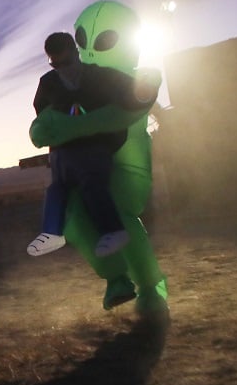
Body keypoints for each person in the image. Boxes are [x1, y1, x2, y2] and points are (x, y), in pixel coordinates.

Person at [30, 0, 169, 319]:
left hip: (124, 165)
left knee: (117, 211)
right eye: (82, 38)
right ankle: (117, 279)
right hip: (75, 163)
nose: (90, 48)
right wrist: (44, 128)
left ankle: (151, 286)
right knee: (74, 218)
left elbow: (125, 111)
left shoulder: (129, 78)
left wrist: (70, 126)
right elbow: (44, 118)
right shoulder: (57, 83)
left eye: (104, 39)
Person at [26, 32, 149, 258]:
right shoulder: (49, 83)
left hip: (98, 144)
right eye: (56, 64)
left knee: (90, 180)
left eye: (67, 62)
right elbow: (44, 115)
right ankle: (52, 232)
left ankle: (113, 230)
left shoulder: (100, 76)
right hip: (65, 149)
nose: (63, 68)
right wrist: (49, 133)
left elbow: (135, 92)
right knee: (57, 188)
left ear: (76, 53)